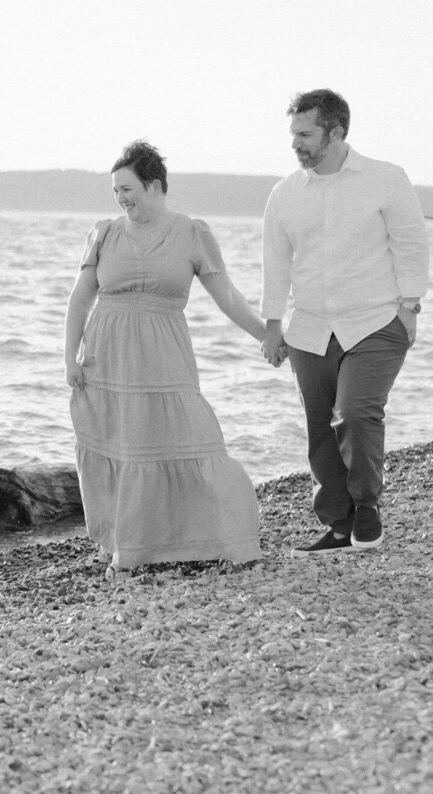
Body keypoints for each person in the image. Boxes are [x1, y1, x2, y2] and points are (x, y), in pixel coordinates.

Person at [64, 140, 265, 579]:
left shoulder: (193, 233)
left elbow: (226, 296)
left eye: (127, 188)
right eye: (115, 191)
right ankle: (128, 548)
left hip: (165, 355)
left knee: (194, 438)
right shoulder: (104, 233)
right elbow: (81, 298)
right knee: (123, 449)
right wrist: (70, 357)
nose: (120, 198)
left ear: (155, 185)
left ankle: (228, 535)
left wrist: (265, 334)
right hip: (107, 359)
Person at [261, 89, 430, 556]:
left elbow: (412, 245)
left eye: (305, 133)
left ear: (335, 132)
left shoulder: (385, 179)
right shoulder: (285, 193)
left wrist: (409, 307)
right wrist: (273, 324)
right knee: (320, 429)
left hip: (375, 321)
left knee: (355, 413)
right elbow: (276, 262)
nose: (295, 143)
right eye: (292, 133)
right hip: (310, 327)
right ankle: (339, 525)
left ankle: (367, 505)